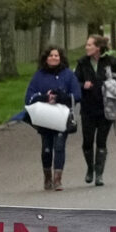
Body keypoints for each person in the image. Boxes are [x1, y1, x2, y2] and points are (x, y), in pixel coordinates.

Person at [70, 37, 116, 189]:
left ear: (98, 47)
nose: (86, 47)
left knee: (101, 141)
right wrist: (83, 85)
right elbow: (74, 83)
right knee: (87, 142)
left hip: (106, 108)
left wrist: (113, 83)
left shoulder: (111, 62)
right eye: (87, 44)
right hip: (88, 108)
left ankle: (99, 174)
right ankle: (90, 168)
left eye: (89, 45)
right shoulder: (82, 63)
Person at [25, 45, 82, 193]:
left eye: (56, 56)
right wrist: (45, 97)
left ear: (61, 58)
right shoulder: (39, 76)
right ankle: (47, 177)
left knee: (59, 146)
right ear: (46, 58)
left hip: (62, 117)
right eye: (51, 55)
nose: (54, 58)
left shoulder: (68, 75)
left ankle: (58, 179)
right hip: (45, 117)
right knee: (47, 149)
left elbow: (77, 95)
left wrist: (61, 97)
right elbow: (29, 97)